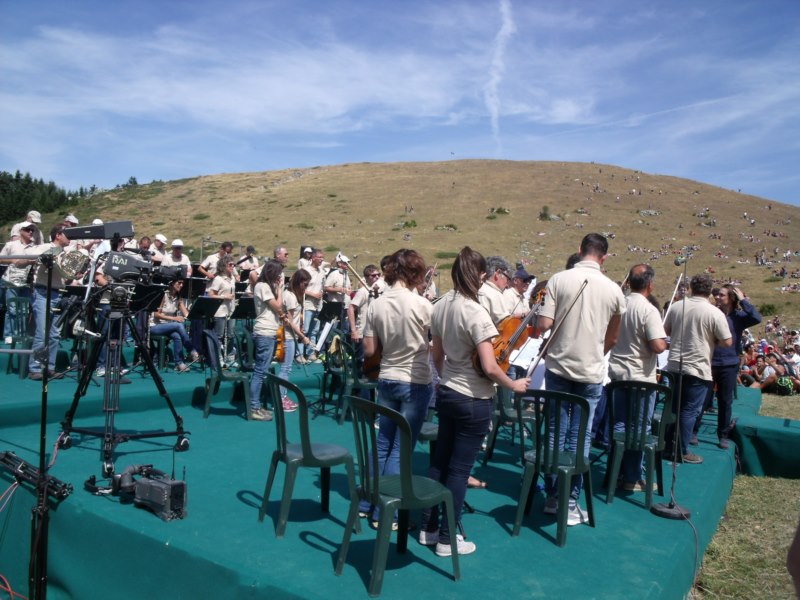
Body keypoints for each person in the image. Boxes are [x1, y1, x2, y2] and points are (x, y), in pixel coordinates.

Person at [420, 247, 530, 557]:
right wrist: (514, 385)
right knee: (458, 470)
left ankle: (428, 526)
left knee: (440, 462)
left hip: (449, 392)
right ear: (480, 276)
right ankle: (447, 537)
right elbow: (491, 366)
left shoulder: (440, 306)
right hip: (474, 398)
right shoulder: (475, 312)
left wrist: (448, 378)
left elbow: (437, 354)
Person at [536, 233, 626, 525]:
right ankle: (570, 498)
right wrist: (595, 352)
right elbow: (613, 337)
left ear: (580, 250)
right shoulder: (613, 290)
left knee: (555, 430)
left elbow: (545, 324)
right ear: (604, 257)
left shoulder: (558, 280)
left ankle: (552, 494)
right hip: (590, 369)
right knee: (580, 435)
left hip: (559, 365)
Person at [360, 249, 434, 528]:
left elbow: (369, 349)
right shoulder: (423, 305)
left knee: (382, 444)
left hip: (387, 378)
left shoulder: (376, 305)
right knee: (401, 448)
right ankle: (386, 512)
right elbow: (436, 345)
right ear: (415, 273)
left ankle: (368, 503)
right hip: (415, 380)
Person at [608, 264, 668, 490]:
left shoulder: (619, 303)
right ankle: (632, 477)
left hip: (618, 372)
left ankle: (617, 471)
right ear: (650, 285)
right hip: (640, 376)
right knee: (640, 428)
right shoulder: (647, 309)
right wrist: (663, 341)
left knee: (620, 424)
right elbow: (657, 345)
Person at [664, 273, 732, 464]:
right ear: (710, 290)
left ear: (692, 288)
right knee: (690, 411)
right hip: (698, 367)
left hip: (674, 365)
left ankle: (668, 445)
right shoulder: (714, 312)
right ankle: (681, 450)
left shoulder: (677, 306)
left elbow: (666, 331)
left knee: (673, 408)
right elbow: (727, 341)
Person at [708, 284, 761, 449]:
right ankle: (693, 432)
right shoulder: (711, 313)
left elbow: (756, 318)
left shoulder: (738, 317)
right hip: (708, 362)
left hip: (728, 364)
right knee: (702, 400)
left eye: (722, 295)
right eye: (717, 295)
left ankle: (722, 435)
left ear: (731, 299)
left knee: (725, 401)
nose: (717, 297)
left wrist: (743, 300)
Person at [24, 224, 72, 379]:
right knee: (42, 332)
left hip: (58, 292)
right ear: (58, 235)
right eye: (67, 234)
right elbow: (26, 256)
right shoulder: (44, 247)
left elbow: (68, 277)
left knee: (54, 333)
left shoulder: (66, 254)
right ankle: (35, 368)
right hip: (42, 291)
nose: (70, 238)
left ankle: (49, 367)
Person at [249, 260, 285, 421]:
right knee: (259, 371)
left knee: (262, 370)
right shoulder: (262, 286)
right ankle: (254, 407)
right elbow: (278, 307)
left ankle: (256, 405)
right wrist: (281, 288)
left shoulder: (266, 287)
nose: (279, 276)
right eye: (277, 273)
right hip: (264, 332)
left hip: (269, 332)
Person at [277, 269, 313, 411]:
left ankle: (283, 396)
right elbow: (290, 322)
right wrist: (302, 337)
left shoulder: (293, 295)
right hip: (288, 336)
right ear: (298, 282)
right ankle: (281, 398)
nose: (306, 287)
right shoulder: (290, 296)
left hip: (291, 334)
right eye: (305, 284)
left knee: (286, 368)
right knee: (285, 369)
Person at [150, 279, 199, 372]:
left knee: (177, 336)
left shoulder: (178, 298)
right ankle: (191, 350)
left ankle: (179, 363)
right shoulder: (163, 295)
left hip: (169, 326)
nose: (181, 285)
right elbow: (156, 314)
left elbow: (186, 314)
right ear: (172, 284)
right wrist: (174, 318)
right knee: (178, 325)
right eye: (179, 283)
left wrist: (197, 313)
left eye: (182, 283)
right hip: (155, 326)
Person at [207, 254, 238, 368]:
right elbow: (211, 295)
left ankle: (230, 357)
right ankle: (218, 358)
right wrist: (224, 297)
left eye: (233, 265)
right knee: (219, 335)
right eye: (230, 264)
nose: (232, 266)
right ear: (223, 266)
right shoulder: (218, 279)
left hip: (231, 310)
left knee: (231, 334)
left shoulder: (233, 278)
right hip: (220, 310)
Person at [299, 249, 325, 362]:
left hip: (318, 305)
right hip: (308, 303)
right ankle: (299, 353)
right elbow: (299, 287)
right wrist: (313, 294)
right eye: (320, 257)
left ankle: (311, 353)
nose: (322, 259)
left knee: (314, 330)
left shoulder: (322, 272)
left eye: (322, 257)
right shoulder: (306, 271)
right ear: (313, 258)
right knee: (304, 329)